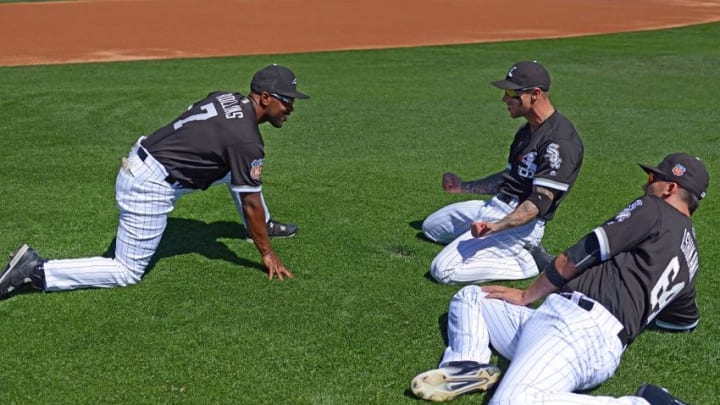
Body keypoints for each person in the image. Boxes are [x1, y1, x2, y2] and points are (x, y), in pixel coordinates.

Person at [411, 152, 708, 404]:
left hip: (578, 330)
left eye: (652, 180)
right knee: (473, 298)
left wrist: (527, 295)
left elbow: (581, 253)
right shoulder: (690, 254)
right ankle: (467, 364)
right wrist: (633, 308)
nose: (647, 185)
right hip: (573, 328)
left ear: (670, 188)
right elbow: (682, 321)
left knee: (513, 400)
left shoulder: (654, 209)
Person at [0, 64, 309, 299]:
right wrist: (266, 252)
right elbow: (250, 201)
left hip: (146, 157)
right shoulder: (246, 141)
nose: (291, 108)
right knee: (126, 272)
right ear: (265, 98)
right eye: (287, 102)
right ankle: (36, 270)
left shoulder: (226, 97)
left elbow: (187, 119)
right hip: (148, 186)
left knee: (236, 174)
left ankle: (262, 225)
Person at [422, 60, 584, 285]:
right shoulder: (528, 129)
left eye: (511, 92)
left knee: (443, 270)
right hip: (495, 207)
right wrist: (464, 187)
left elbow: (537, 204)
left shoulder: (560, 142)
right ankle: (485, 247)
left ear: (535, 93)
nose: (505, 99)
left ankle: (527, 260)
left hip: (522, 224)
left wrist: (496, 227)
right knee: (432, 228)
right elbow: (509, 178)